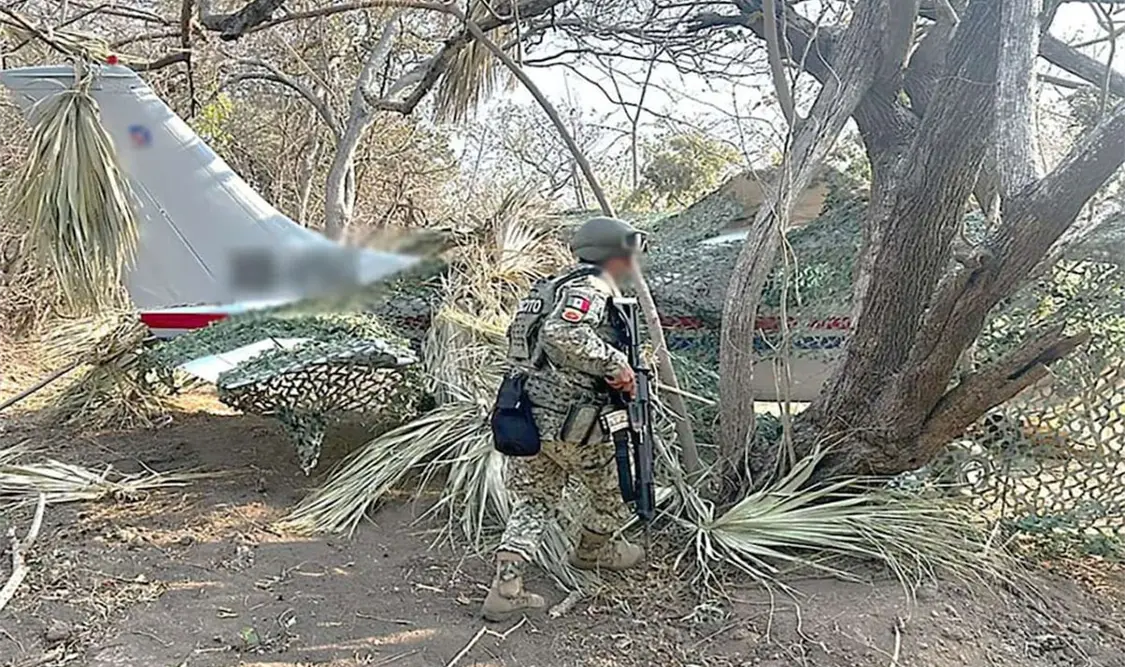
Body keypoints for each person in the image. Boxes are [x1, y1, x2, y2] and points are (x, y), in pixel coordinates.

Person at [482, 216, 648, 622]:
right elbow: (564, 334)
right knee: (617, 491)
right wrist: (618, 367)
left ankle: (506, 585)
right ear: (611, 255)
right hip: (577, 425)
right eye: (628, 256)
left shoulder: (546, 290)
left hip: (528, 422)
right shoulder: (588, 288)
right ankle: (594, 552)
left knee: (535, 500)